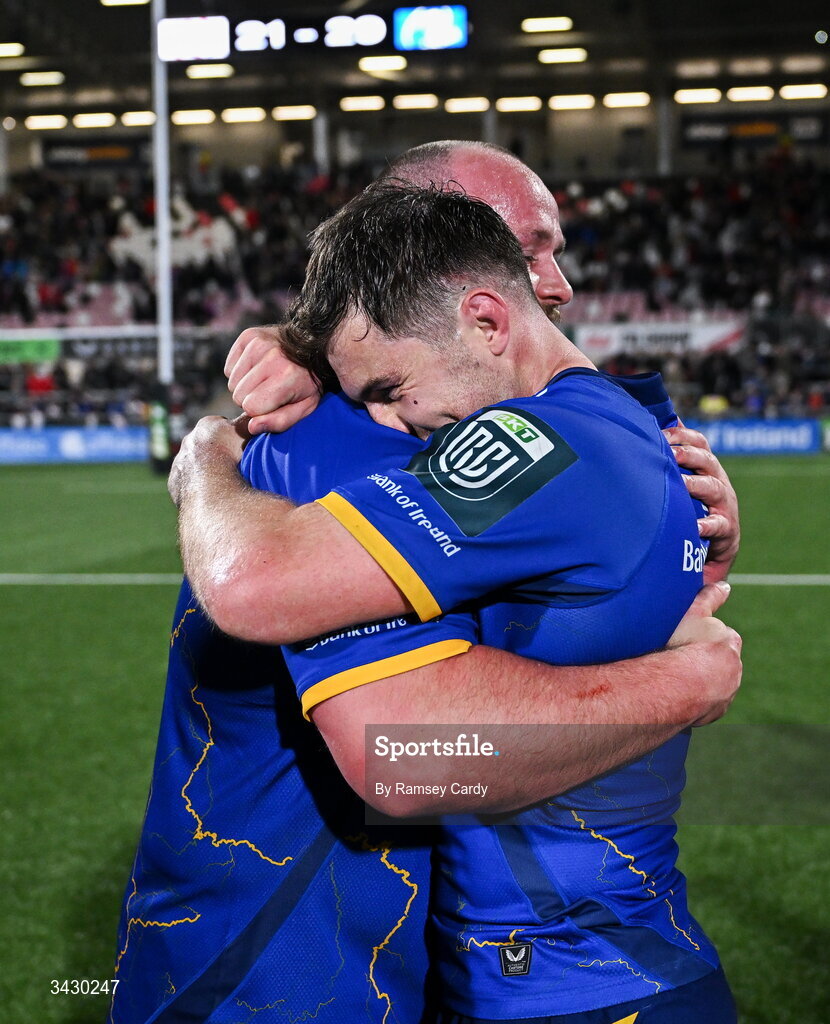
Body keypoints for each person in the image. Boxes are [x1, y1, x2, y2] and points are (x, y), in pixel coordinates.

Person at [169, 179, 741, 1022]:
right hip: (602, 965)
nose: (395, 423)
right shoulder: (634, 423)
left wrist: (207, 458)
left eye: (392, 387)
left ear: (485, 319)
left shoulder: (536, 440)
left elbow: (265, 601)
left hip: (575, 983)